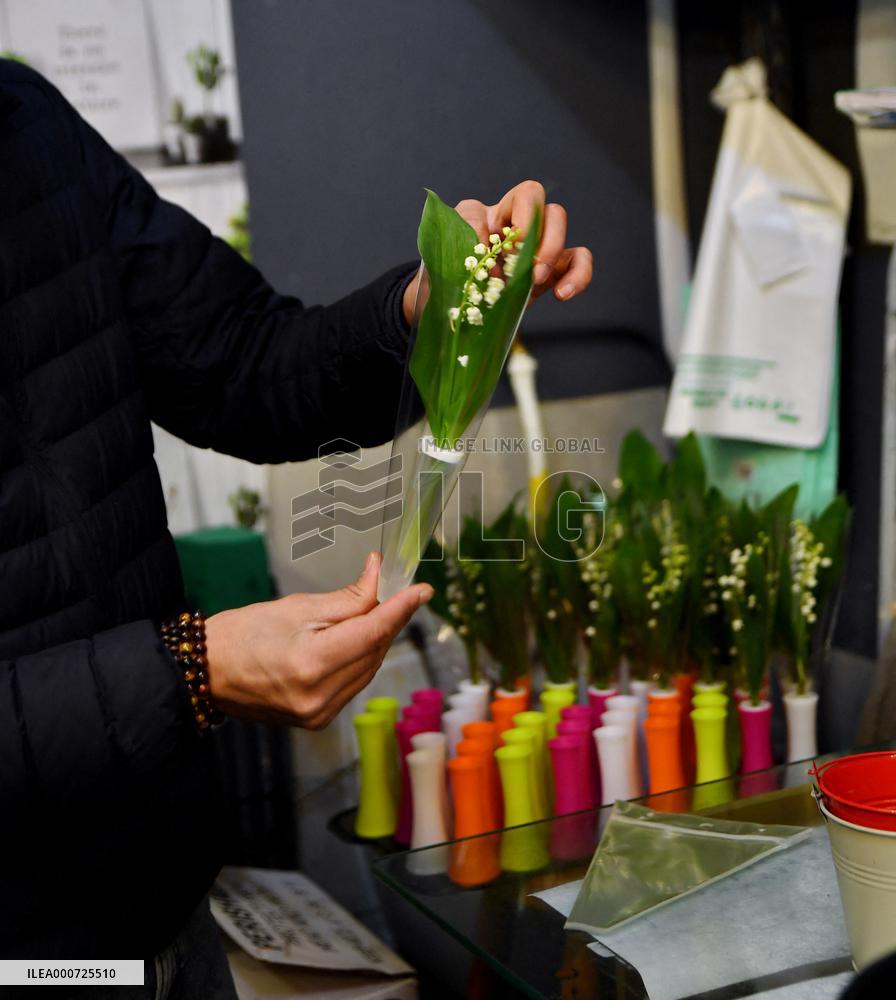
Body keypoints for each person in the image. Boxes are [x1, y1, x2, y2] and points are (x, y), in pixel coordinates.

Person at [0, 58, 592, 994]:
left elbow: (241, 361)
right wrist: (190, 671)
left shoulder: (22, 123)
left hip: (161, 909)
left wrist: (434, 309)